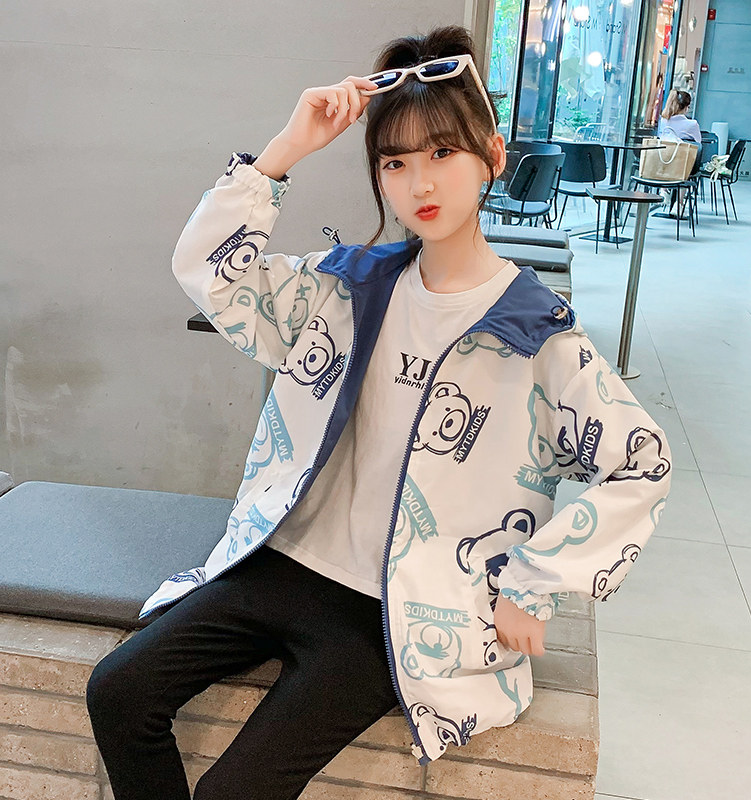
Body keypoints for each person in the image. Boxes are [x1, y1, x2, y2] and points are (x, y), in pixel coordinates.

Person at [86, 24, 672, 800]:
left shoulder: (536, 333)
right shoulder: (347, 285)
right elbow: (211, 274)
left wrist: (535, 581)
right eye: (395, 162)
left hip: (395, 608)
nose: (419, 182)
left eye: (443, 153)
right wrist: (284, 151)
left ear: (493, 156)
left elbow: (642, 464)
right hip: (285, 561)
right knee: (117, 692)